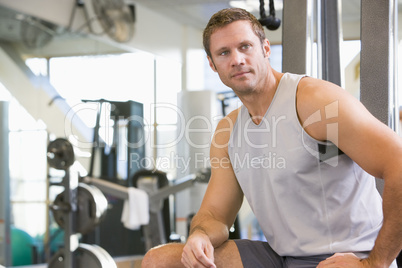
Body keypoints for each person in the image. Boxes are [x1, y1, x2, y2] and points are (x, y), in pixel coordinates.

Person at [142, 8, 402, 268]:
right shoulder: (228, 131)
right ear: (212, 64)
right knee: (159, 260)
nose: (237, 59)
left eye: (245, 47)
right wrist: (199, 235)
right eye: (224, 53)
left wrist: (375, 262)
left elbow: (398, 164)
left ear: (265, 48)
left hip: (347, 256)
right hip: (282, 259)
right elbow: (215, 215)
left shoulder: (315, 102)